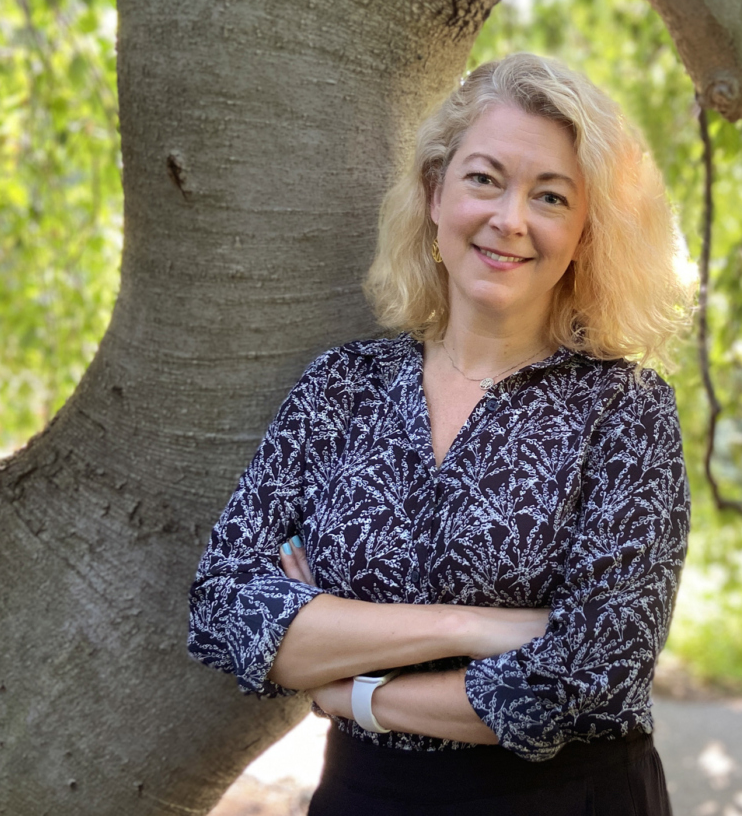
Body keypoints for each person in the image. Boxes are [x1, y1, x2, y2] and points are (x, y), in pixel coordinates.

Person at [187, 52, 694, 815]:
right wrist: (471, 627)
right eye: (485, 179)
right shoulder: (342, 388)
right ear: (434, 192)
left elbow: (586, 675)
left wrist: (351, 687)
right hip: (366, 798)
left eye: (550, 196)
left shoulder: (626, 411)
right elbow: (225, 609)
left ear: (587, 232)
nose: (510, 219)